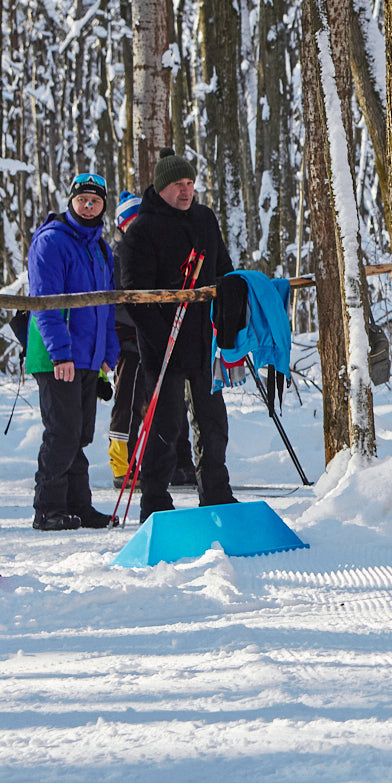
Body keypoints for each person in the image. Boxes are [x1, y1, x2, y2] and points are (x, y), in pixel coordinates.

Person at [117, 148, 237, 521]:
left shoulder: (204, 218)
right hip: (162, 345)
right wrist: (157, 335)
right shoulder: (141, 230)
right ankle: (154, 501)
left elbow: (223, 271)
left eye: (189, 184)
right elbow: (135, 295)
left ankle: (216, 492)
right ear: (161, 187)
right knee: (164, 426)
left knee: (213, 421)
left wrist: (229, 317)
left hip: (203, 340)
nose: (185, 191)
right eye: (177, 185)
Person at [26, 173, 121, 530]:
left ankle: (79, 506)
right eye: (82, 199)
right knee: (62, 433)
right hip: (56, 356)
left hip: (88, 356)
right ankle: (47, 508)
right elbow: (45, 303)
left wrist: (107, 354)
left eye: (94, 201)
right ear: (71, 202)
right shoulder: (52, 242)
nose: (88, 205)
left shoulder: (100, 249)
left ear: (102, 207)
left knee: (79, 436)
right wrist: (60, 354)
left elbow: (106, 306)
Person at [107, 191, 198, 491]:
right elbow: (119, 302)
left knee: (168, 404)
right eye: (130, 223)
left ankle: (177, 462)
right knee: (128, 405)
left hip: (160, 340)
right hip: (130, 341)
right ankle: (124, 465)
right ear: (122, 226)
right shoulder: (118, 256)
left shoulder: (156, 247)